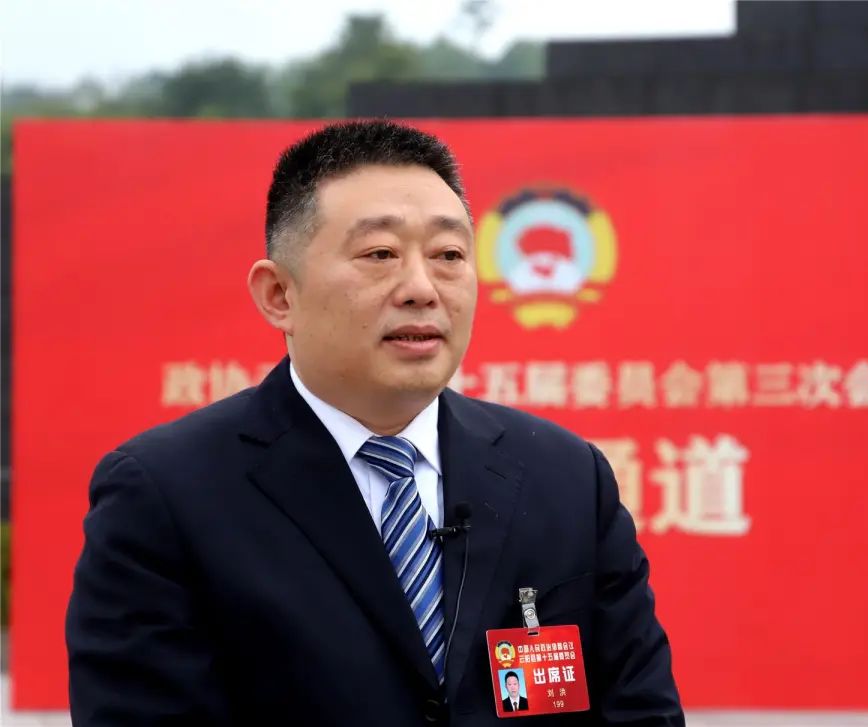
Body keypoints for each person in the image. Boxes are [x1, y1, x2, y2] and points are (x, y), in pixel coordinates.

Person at [66, 119, 683, 726]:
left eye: (448, 255)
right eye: (380, 254)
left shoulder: (567, 477)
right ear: (279, 295)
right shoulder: (165, 495)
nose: (421, 288)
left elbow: (640, 709)